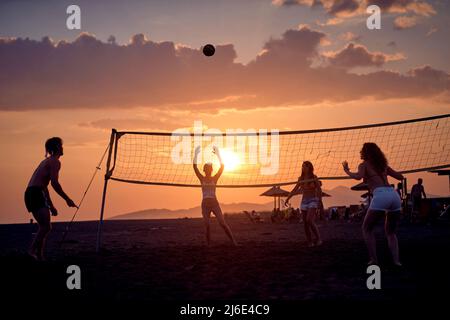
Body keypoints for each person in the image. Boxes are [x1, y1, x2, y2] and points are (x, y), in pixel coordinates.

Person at [342, 142, 404, 266]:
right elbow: (400, 177)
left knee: (366, 228)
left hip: (380, 194)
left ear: (364, 153)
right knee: (391, 232)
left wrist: (347, 171)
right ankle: (396, 261)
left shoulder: (364, 164)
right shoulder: (383, 165)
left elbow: (358, 177)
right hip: (394, 195)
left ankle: (374, 260)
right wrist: (384, 173)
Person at [25, 137, 77, 261]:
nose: (63, 147)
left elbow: (45, 187)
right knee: (46, 227)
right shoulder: (55, 162)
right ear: (58, 147)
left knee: (43, 226)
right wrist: (67, 199)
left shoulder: (46, 161)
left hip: (30, 193)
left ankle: (39, 256)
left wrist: (51, 205)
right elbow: (54, 183)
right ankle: (31, 251)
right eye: (61, 145)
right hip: (35, 193)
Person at [193, 146, 238, 246]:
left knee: (222, 223)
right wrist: (196, 155)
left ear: (211, 170)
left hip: (214, 203)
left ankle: (233, 241)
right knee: (207, 225)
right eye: (207, 169)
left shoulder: (215, 178)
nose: (208, 170)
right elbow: (195, 168)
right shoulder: (202, 178)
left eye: (210, 169)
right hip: (205, 204)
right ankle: (208, 245)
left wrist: (218, 154)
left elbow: (222, 167)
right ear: (205, 170)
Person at [285, 161, 323, 247]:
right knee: (305, 223)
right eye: (302, 166)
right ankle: (310, 241)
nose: (303, 168)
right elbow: (294, 190)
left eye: (305, 166)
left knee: (309, 220)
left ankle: (318, 238)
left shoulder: (314, 177)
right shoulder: (301, 179)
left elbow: (319, 190)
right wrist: (288, 198)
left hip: (313, 200)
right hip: (304, 201)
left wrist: (319, 201)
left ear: (309, 167)